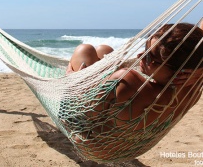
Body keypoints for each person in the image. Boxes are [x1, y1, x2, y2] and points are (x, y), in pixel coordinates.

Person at [66, 23, 203, 160]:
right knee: (104, 50)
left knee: (84, 49)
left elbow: (83, 114)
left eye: (150, 57)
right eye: (145, 49)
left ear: (179, 71)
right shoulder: (194, 86)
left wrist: (74, 80)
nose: (140, 56)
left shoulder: (127, 80)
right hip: (130, 149)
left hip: (94, 146)